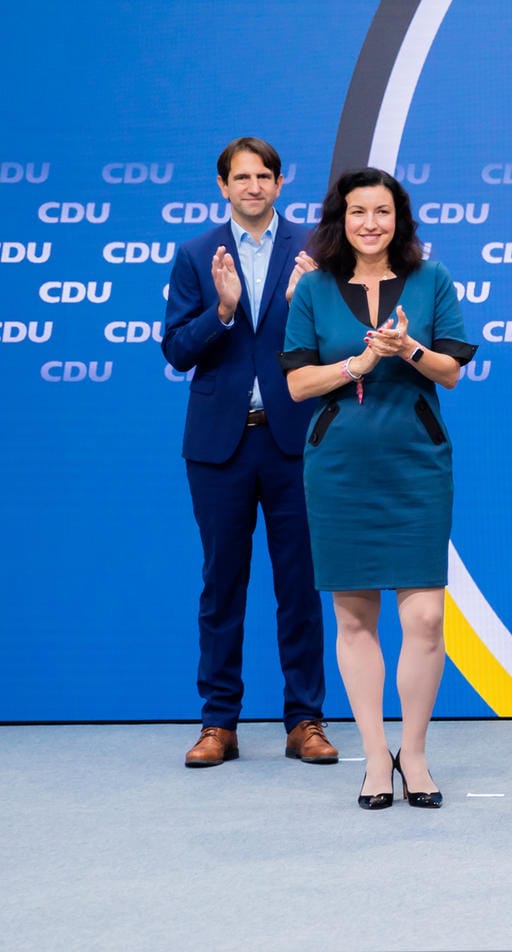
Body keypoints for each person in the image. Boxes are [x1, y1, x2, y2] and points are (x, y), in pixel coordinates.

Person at [280, 167, 475, 809]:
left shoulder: (431, 280)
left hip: (415, 465)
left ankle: (412, 754)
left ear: (400, 218)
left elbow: (450, 372)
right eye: (359, 211)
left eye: (383, 212)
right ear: (342, 218)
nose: (371, 223)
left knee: (423, 616)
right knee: (353, 615)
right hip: (338, 467)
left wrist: (407, 350)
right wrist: (358, 364)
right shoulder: (313, 288)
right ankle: (374, 759)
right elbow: (298, 385)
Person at [161, 136, 335, 768]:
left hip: (294, 442)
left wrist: (305, 303)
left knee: (301, 586)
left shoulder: (316, 252)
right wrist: (225, 311)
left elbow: (339, 341)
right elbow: (177, 349)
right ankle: (218, 724)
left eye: (264, 175)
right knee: (221, 585)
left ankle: (306, 720)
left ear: (281, 183)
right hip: (219, 447)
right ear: (222, 186)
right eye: (242, 177)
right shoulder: (196, 254)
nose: (253, 186)